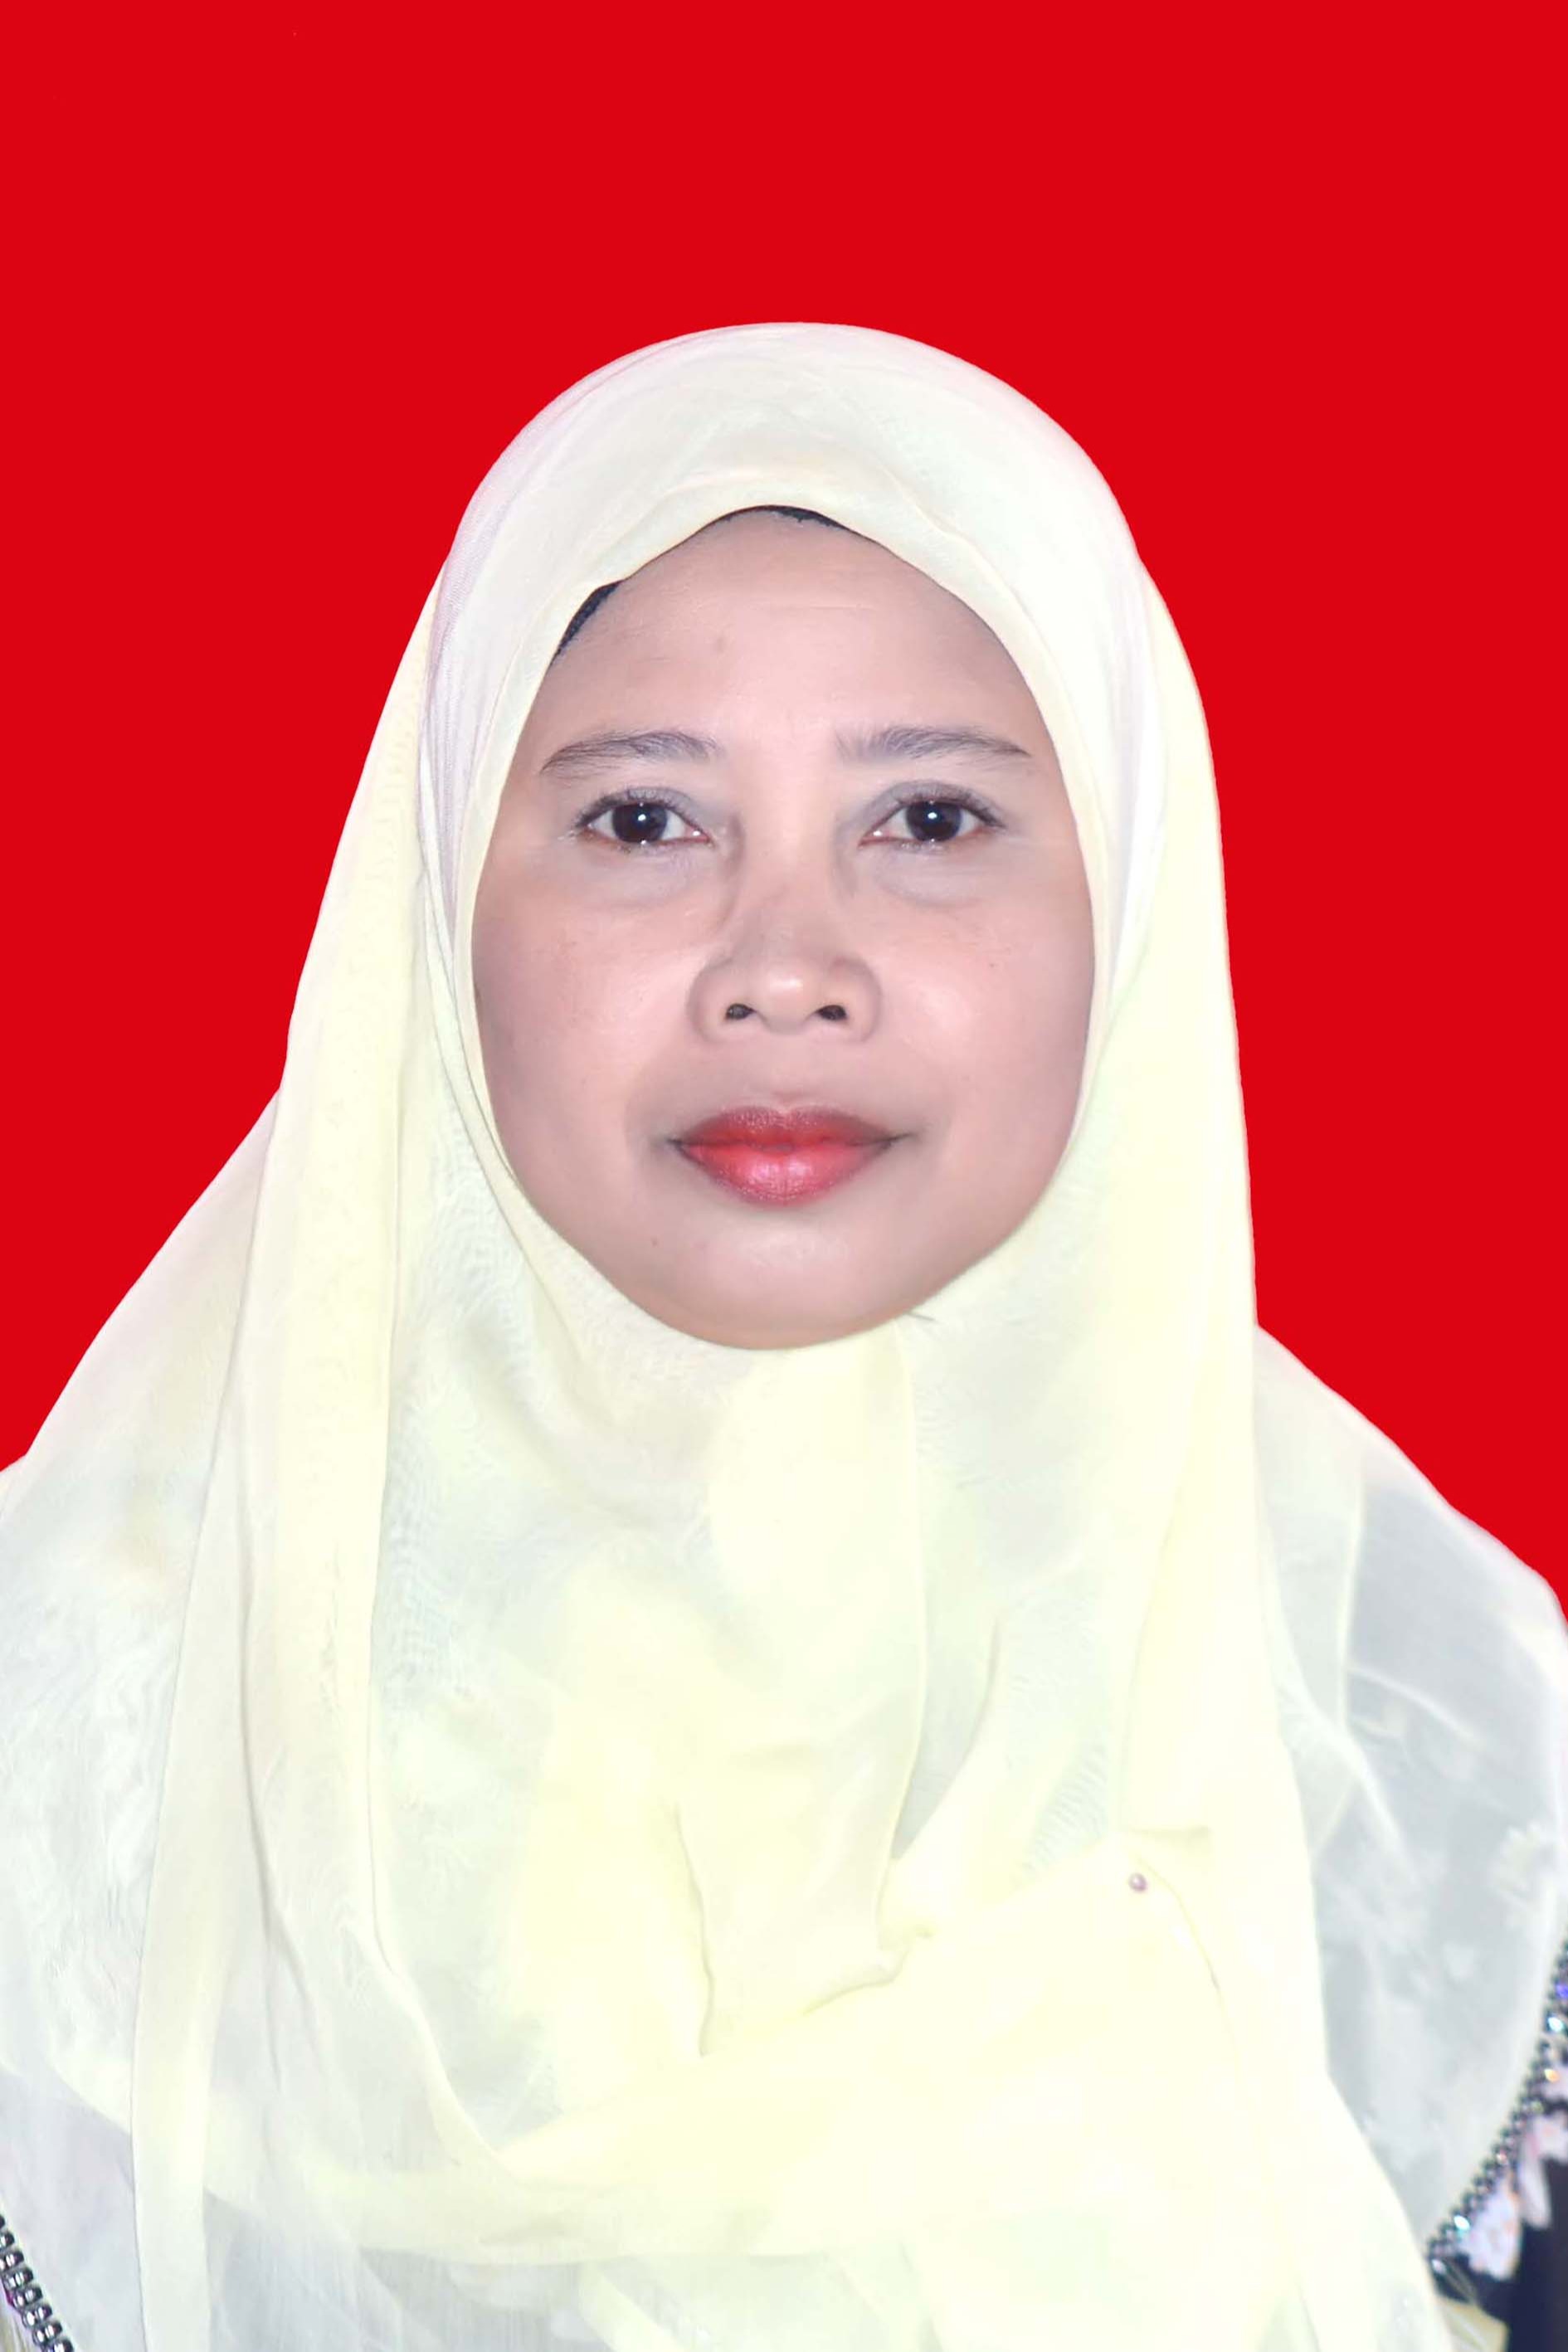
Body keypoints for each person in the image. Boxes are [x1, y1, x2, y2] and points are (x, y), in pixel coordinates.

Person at [1, 322, 1564, 2352]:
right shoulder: (74, 1705)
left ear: (1136, 901)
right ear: (437, 903)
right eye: (645, 822)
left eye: (931, 819)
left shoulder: (1437, 1750)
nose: (786, 966)